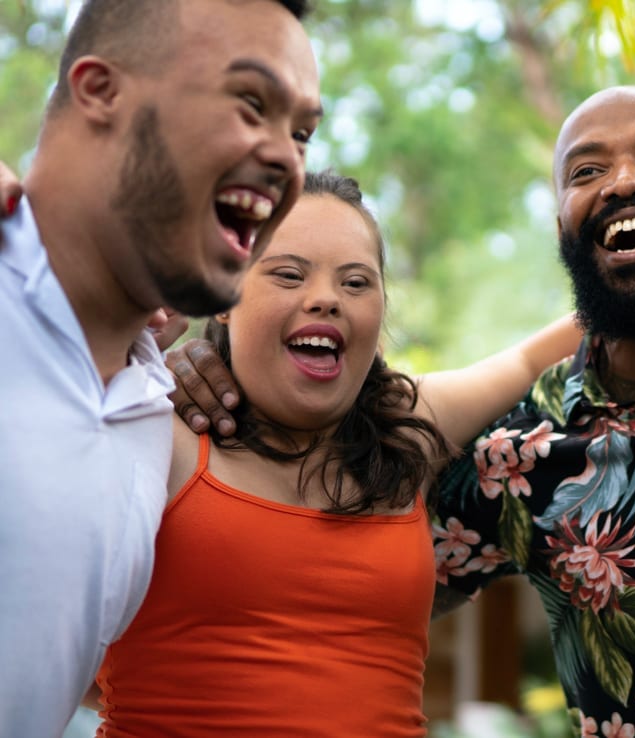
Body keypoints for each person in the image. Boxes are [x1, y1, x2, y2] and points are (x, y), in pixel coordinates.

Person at [74, 169, 580, 737]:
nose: (325, 299)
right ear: (221, 297)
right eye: (288, 274)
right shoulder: (152, 428)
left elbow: (532, 359)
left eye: (357, 283)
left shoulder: (408, 425)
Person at [0, 0, 321, 735]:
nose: (287, 158)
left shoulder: (154, 415)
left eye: (302, 132)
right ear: (100, 90)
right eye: (250, 102)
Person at [431, 86, 635, 737]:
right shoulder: (514, 453)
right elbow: (360, 584)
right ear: (564, 226)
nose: (626, 181)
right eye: (587, 170)